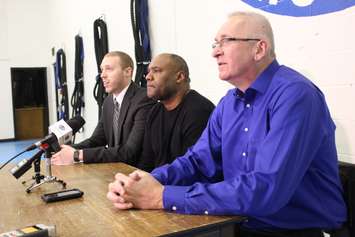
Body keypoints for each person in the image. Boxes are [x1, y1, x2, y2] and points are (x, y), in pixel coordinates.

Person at [107, 12, 347, 236]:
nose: (215, 52)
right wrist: (147, 181)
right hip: (239, 225)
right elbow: (198, 162)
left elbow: (266, 187)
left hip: (293, 231)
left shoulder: (295, 95)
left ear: (259, 48)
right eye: (215, 44)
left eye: (226, 41)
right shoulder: (229, 103)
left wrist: (161, 196)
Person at [52, 51, 154, 165]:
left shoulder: (144, 99)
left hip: (138, 174)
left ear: (127, 72)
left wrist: (78, 155)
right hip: (115, 170)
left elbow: (130, 152)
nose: (102, 75)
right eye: (102, 70)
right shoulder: (108, 102)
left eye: (109, 69)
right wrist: (64, 150)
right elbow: (97, 140)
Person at [136, 53, 215, 172]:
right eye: (148, 71)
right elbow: (146, 161)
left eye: (156, 71)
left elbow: (193, 169)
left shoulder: (199, 111)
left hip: (182, 188)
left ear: (179, 77)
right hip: (157, 183)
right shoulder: (155, 112)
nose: (148, 77)